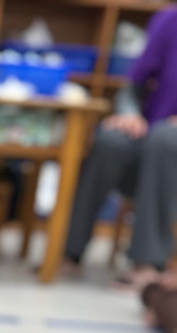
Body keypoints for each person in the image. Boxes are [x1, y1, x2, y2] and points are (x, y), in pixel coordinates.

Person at [64, 4, 177, 285]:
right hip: (151, 139)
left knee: (165, 139)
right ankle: (69, 251)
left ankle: (149, 263)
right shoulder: (169, 19)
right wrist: (129, 113)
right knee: (110, 140)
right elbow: (133, 85)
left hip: (165, 144)